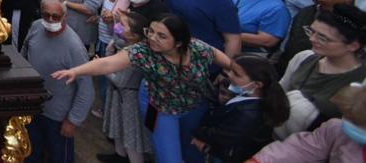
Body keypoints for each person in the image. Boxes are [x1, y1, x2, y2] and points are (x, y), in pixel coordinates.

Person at [53, 13, 235, 163]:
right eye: (151, 32)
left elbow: (225, 60)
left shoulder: (198, 49)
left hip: (195, 108)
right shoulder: (143, 52)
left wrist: (237, 75)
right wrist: (76, 71)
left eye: (161, 36)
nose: (153, 38)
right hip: (162, 111)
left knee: (193, 155)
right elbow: (108, 64)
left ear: (179, 42)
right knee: (170, 159)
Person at [278, 4, 366, 138]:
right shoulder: (303, 58)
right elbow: (279, 94)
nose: (312, 39)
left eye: (322, 38)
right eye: (311, 31)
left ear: (353, 45)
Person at [22, 0, 93, 163]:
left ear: (65, 17)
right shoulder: (36, 27)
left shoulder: (74, 47)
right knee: (31, 154)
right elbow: (25, 53)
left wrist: (73, 120)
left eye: (55, 16)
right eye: (46, 15)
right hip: (33, 108)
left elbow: (86, 89)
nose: (50, 19)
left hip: (58, 117)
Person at [251, 85, 366, 163]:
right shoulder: (337, 130)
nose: (346, 124)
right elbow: (300, 148)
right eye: (347, 118)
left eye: (355, 123)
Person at [190, 54, 289, 163]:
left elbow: (222, 135)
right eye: (231, 70)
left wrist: (197, 133)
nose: (230, 75)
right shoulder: (246, 97)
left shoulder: (249, 114)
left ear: (257, 84)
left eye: (236, 74)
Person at [99, 16, 152, 163]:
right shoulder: (124, 46)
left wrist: (100, 67)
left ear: (134, 35)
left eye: (123, 25)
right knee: (118, 128)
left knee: (130, 136)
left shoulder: (133, 54)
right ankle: (119, 155)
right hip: (118, 95)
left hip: (128, 98)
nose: (118, 27)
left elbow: (120, 81)